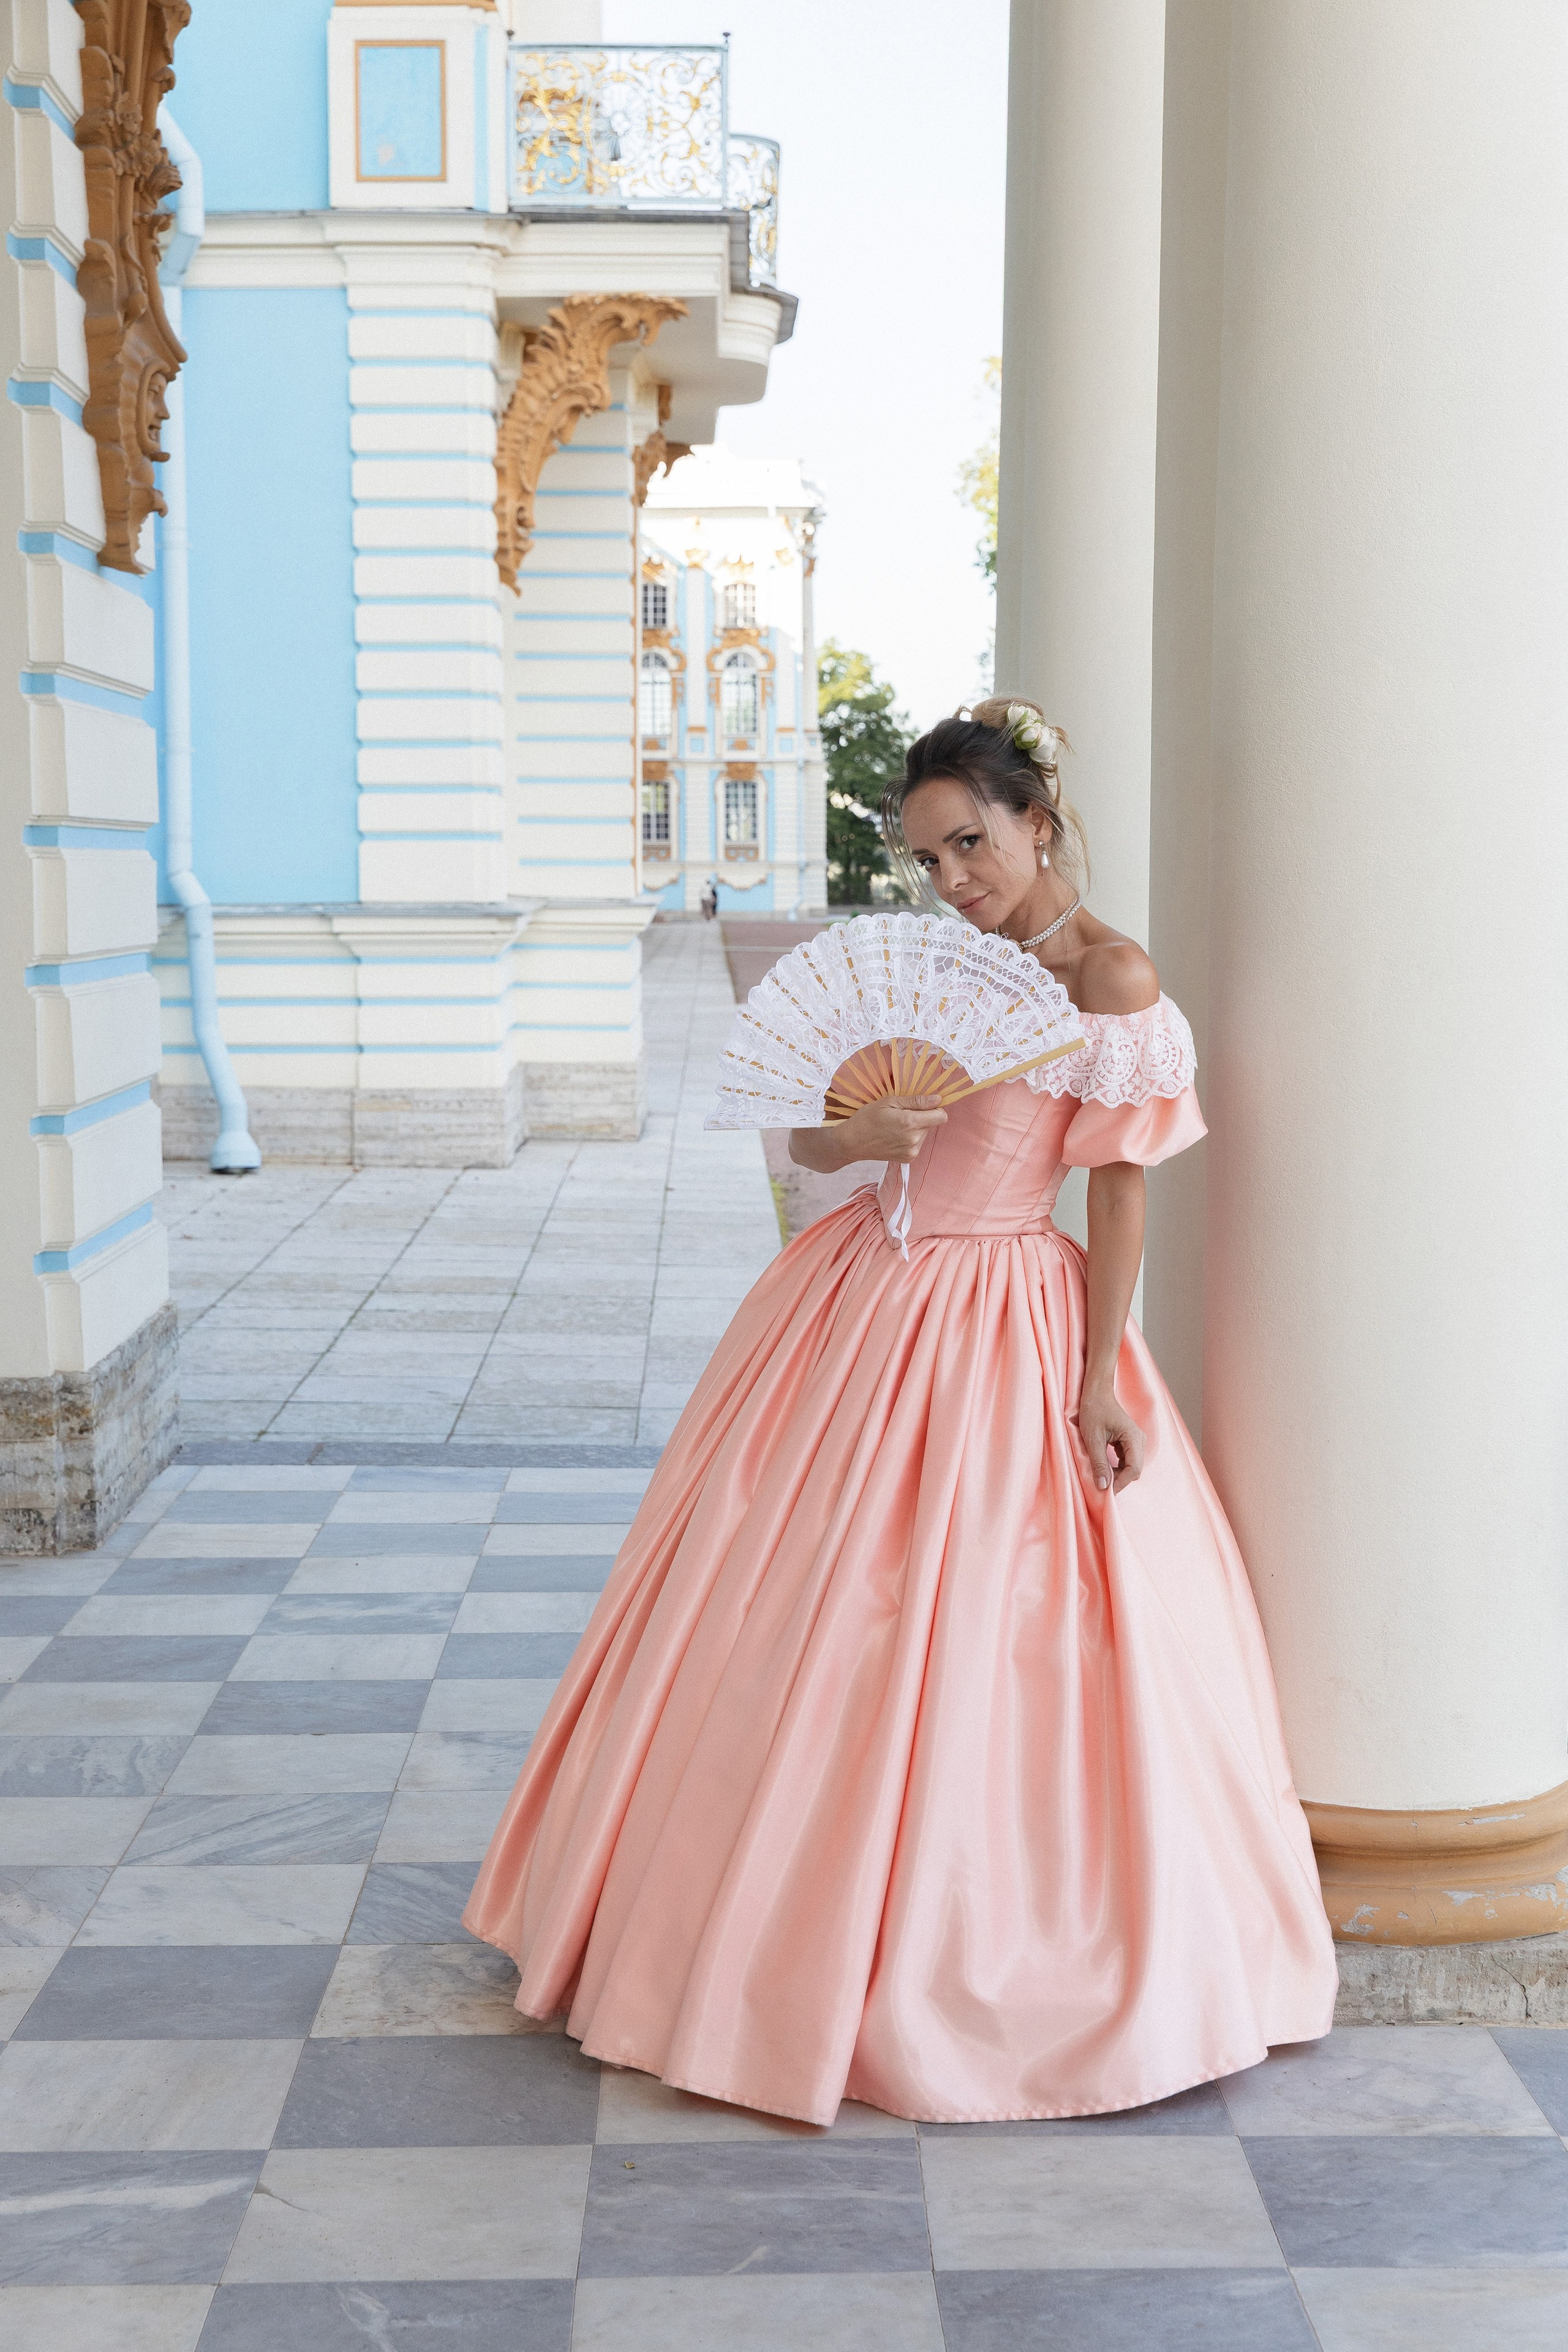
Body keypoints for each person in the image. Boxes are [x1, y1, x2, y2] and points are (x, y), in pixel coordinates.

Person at [464, 695, 1337, 2125]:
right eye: (926, 859)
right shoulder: (941, 966)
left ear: (1035, 824)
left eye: (968, 846)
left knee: (994, 1620)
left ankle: (956, 1958)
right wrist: (859, 1134)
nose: (950, 882)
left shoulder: (1106, 982)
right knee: (776, 1597)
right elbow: (814, 1129)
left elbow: (1116, 1190)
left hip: (1004, 1307)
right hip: (852, 1296)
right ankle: (726, 1920)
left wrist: (1096, 1371)